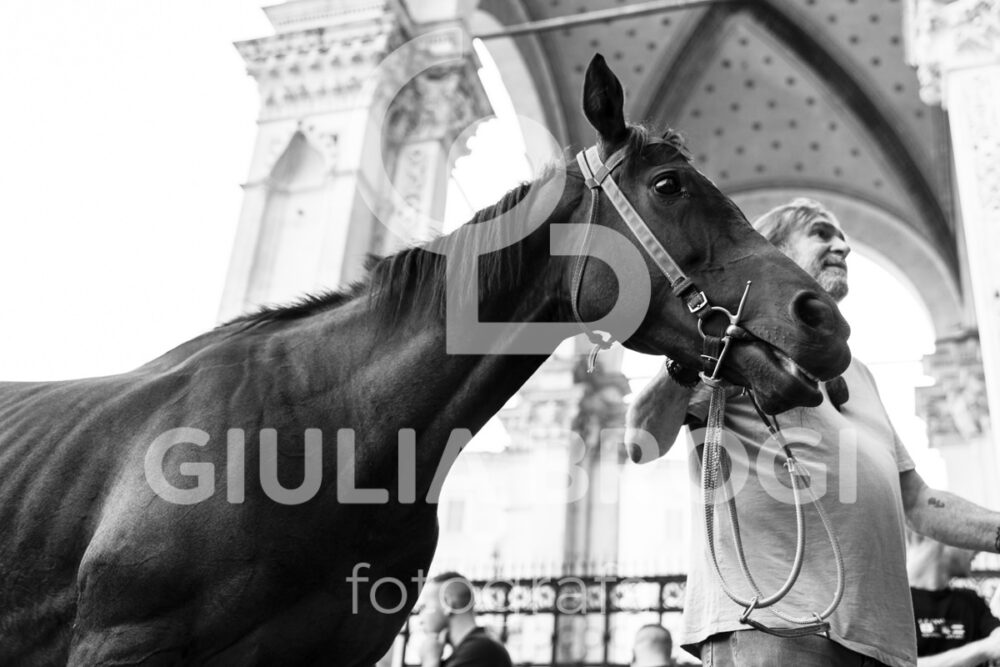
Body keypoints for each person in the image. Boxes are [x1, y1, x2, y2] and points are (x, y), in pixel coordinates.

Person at [626, 198, 1000, 667]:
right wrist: (689, 359)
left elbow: (919, 502)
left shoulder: (859, 374)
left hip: (880, 645)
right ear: (771, 249)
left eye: (842, 237)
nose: (843, 245)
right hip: (776, 628)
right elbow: (642, 442)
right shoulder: (733, 346)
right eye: (822, 232)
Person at [908, 532, 1000, 666]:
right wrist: (982, 650)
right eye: (966, 538)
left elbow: (997, 640)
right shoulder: (891, 604)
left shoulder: (972, 602)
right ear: (937, 537)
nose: (977, 550)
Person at [416, 571, 512, 667]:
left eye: (424, 607)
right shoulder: (472, 650)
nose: (420, 619)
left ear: (447, 603)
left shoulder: (479, 651)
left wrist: (429, 662)